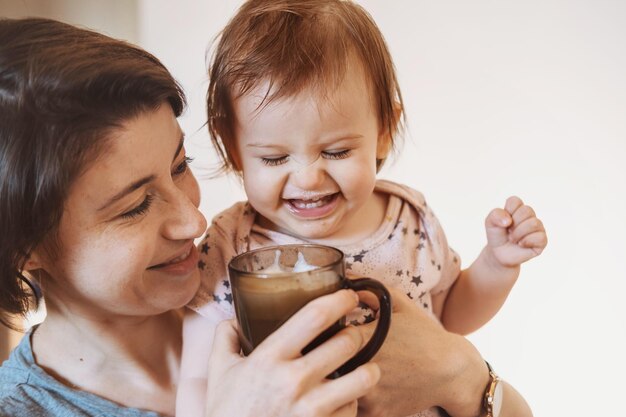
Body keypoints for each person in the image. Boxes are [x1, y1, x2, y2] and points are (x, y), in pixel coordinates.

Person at [179, 1, 546, 416]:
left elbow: (448, 319)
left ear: (385, 132)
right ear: (233, 148)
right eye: (275, 159)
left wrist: (497, 265)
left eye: (336, 151)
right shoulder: (231, 243)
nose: (308, 179)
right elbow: (197, 376)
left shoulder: (411, 217)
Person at [0, 17, 381, 417]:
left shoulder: (268, 294)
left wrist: (453, 372)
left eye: (180, 165)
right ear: (23, 248)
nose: (195, 222)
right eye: (136, 206)